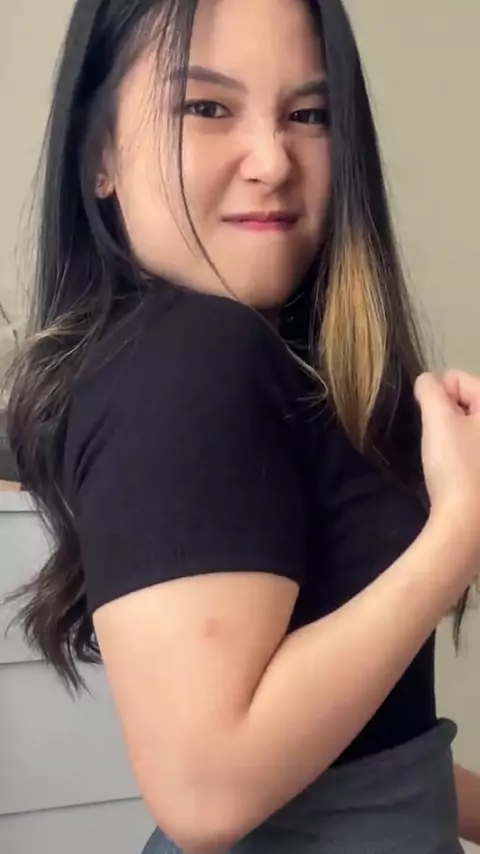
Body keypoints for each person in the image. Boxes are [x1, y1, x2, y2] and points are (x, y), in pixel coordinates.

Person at [5, 0, 480, 851]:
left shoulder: (258, 359)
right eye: (207, 107)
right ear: (99, 152)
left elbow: (363, 743)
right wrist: (458, 533)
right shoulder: (195, 351)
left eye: (310, 115)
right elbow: (207, 791)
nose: (272, 161)